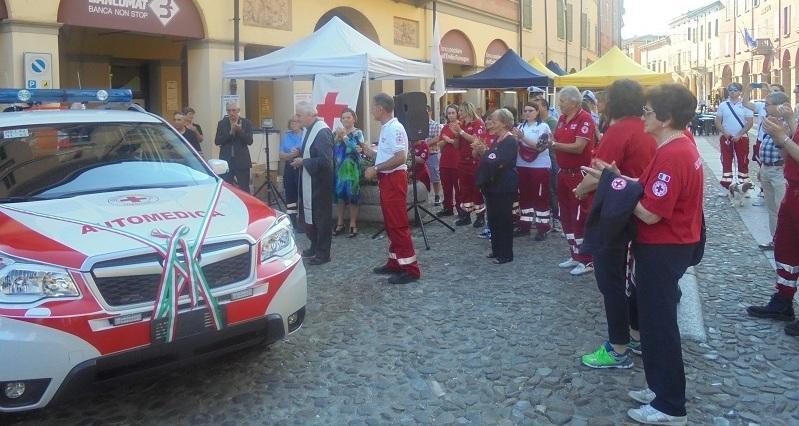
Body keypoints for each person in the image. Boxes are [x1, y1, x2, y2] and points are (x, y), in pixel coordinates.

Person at [586, 83, 703, 425]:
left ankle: (670, 406)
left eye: (649, 112)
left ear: (666, 118)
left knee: (659, 327)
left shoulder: (673, 154)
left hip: (663, 248)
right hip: (666, 246)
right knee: (652, 325)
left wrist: (614, 186)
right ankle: (659, 389)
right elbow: (645, 185)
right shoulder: (674, 147)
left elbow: (651, 212)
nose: (643, 117)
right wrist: (615, 177)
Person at [575, 79, 657, 369]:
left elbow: (598, 173)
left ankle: (618, 347)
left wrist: (579, 189)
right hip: (639, 211)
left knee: (610, 280)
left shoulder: (619, 130)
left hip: (616, 214)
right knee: (632, 280)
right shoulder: (647, 127)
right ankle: (635, 335)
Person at [746, 100, 799, 336]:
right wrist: (783, 134)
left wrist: (783, 138)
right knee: (787, 250)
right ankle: (783, 300)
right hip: (793, 190)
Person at [361, 93, 421, 285]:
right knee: (390, 223)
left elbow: (400, 157)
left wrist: (376, 168)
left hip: (394, 179)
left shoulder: (394, 128)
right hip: (388, 179)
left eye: (373, 107)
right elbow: (388, 154)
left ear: (380, 108)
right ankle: (395, 261)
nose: (371, 111)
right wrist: (371, 153)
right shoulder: (387, 127)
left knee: (397, 223)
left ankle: (411, 269)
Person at [548, 86, 597, 276]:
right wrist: (551, 141)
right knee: (566, 215)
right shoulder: (562, 119)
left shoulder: (585, 118)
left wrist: (554, 144)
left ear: (574, 102)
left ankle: (587, 259)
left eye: (562, 101)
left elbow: (578, 147)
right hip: (563, 172)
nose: (559, 104)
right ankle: (575, 254)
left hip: (578, 174)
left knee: (579, 217)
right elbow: (556, 139)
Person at [291, 101, 335, 266]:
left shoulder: (322, 132)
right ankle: (314, 246)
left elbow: (325, 161)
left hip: (320, 184)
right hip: (310, 182)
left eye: (299, 115)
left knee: (321, 219)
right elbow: (312, 151)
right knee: (310, 217)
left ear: (310, 115)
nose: (296, 118)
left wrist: (303, 162)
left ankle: (323, 253)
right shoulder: (308, 129)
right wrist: (300, 152)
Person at [476, 109, 518, 264]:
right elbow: (489, 159)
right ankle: (496, 249)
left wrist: (485, 153)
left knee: (503, 219)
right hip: (492, 184)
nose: (491, 123)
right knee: (493, 218)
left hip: (504, 185)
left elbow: (499, 161)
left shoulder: (510, 141)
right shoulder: (497, 139)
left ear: (504, 123)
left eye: (494, 121)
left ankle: (506, 253)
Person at [511, 102, 552, 240]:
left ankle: (543, 228)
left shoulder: (543, 127)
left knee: (540, 196)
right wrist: (515, 139)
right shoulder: (519, 127)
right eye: (525, 110)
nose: (527, 113)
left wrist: (522, 137)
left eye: (531, 110)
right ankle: (525, 225)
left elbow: (540, 146)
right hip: (522, 164)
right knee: (524, 196)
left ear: (537, 112)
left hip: (539, 166)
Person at [714, 82, 754, 197]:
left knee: (743, 161)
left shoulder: (746, 105)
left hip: (742, 138)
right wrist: (724, 132)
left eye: (735, 90)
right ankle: (726, 187)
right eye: (730, 90)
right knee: (726, 161)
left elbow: (749, 122)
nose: (732, 92)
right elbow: (717, 120)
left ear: (740, 92)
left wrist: (740, 135)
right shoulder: (723, 105)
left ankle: (744, 187)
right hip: (726, 138)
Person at [451, 102, 487, 227]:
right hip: (462, 161)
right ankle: (465, 215)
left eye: (461, 111)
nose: (459, 113)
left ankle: (480, 216)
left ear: (467, 110)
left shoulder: (478, 123)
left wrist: (460, 132)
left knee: (476, 189)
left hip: (474, 161)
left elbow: (476, 140)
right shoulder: (461, 125)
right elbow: (456, 146)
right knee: (464, 189)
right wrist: (456, 135)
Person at [332, 108, 363, 238]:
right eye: (343, 118)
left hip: (352, 169)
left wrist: (344, 136)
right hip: (339, 169)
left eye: (348, 117)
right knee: (340, 195)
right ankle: (340, 222)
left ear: (354, 119)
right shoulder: (336, 133)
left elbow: (356, 149)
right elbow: (331, 148)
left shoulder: (358, 133)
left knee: (352, 195)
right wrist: (337, 137)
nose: (345, 120)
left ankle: (353, 223)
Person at [215, 102, 253, 193]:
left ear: (238, 110)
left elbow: (250, 141)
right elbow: (217, 141)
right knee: (226, 190)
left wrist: (240, 131)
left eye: (233, 110)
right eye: (229, 110)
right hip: (226, 162)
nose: (231, 113)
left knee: (244, 189)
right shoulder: (222, 123)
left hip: (242, 162)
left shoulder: (246, 123)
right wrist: (230, 133)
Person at [536, 98, 561, 231]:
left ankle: (556, 219)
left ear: (545, 107)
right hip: (539, 160)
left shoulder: (551, 122)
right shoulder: (535, 122)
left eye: (537, 106)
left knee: (553, 189)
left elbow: (549, 141)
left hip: (551, 158)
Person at [436, 104, 462, 218]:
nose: (451, 115)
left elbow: (459, 144)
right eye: (449, 113)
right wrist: (446, 141)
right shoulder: (445, 127)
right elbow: (440, 144)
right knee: (446, 187)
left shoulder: (460, 126)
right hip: (445, 161)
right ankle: (447, 207)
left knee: (458, 187)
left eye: (453, 113)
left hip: (457, 161)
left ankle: (461, 209)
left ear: (457, 113)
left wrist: (450, 140)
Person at [279, 115, 304, 230]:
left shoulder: (305, 135)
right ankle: (292, 221)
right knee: (290, 193)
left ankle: (303, 221)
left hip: (301, 167)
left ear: (301, 123)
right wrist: (291, 155)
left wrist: (298, 154)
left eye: (297, 121)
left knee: (302, 193)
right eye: (292, 121)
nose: (294, 123)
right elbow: (281, 154)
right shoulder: (287, 135)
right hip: (289, 167)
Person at [426, 106, 443, 205]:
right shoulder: (418, 125)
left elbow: (438, 138)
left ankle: (437, 195)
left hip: (432, 153)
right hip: (420, 155)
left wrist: (425, 145)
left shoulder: (435, 125)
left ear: (430, 112)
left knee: (435, 176)